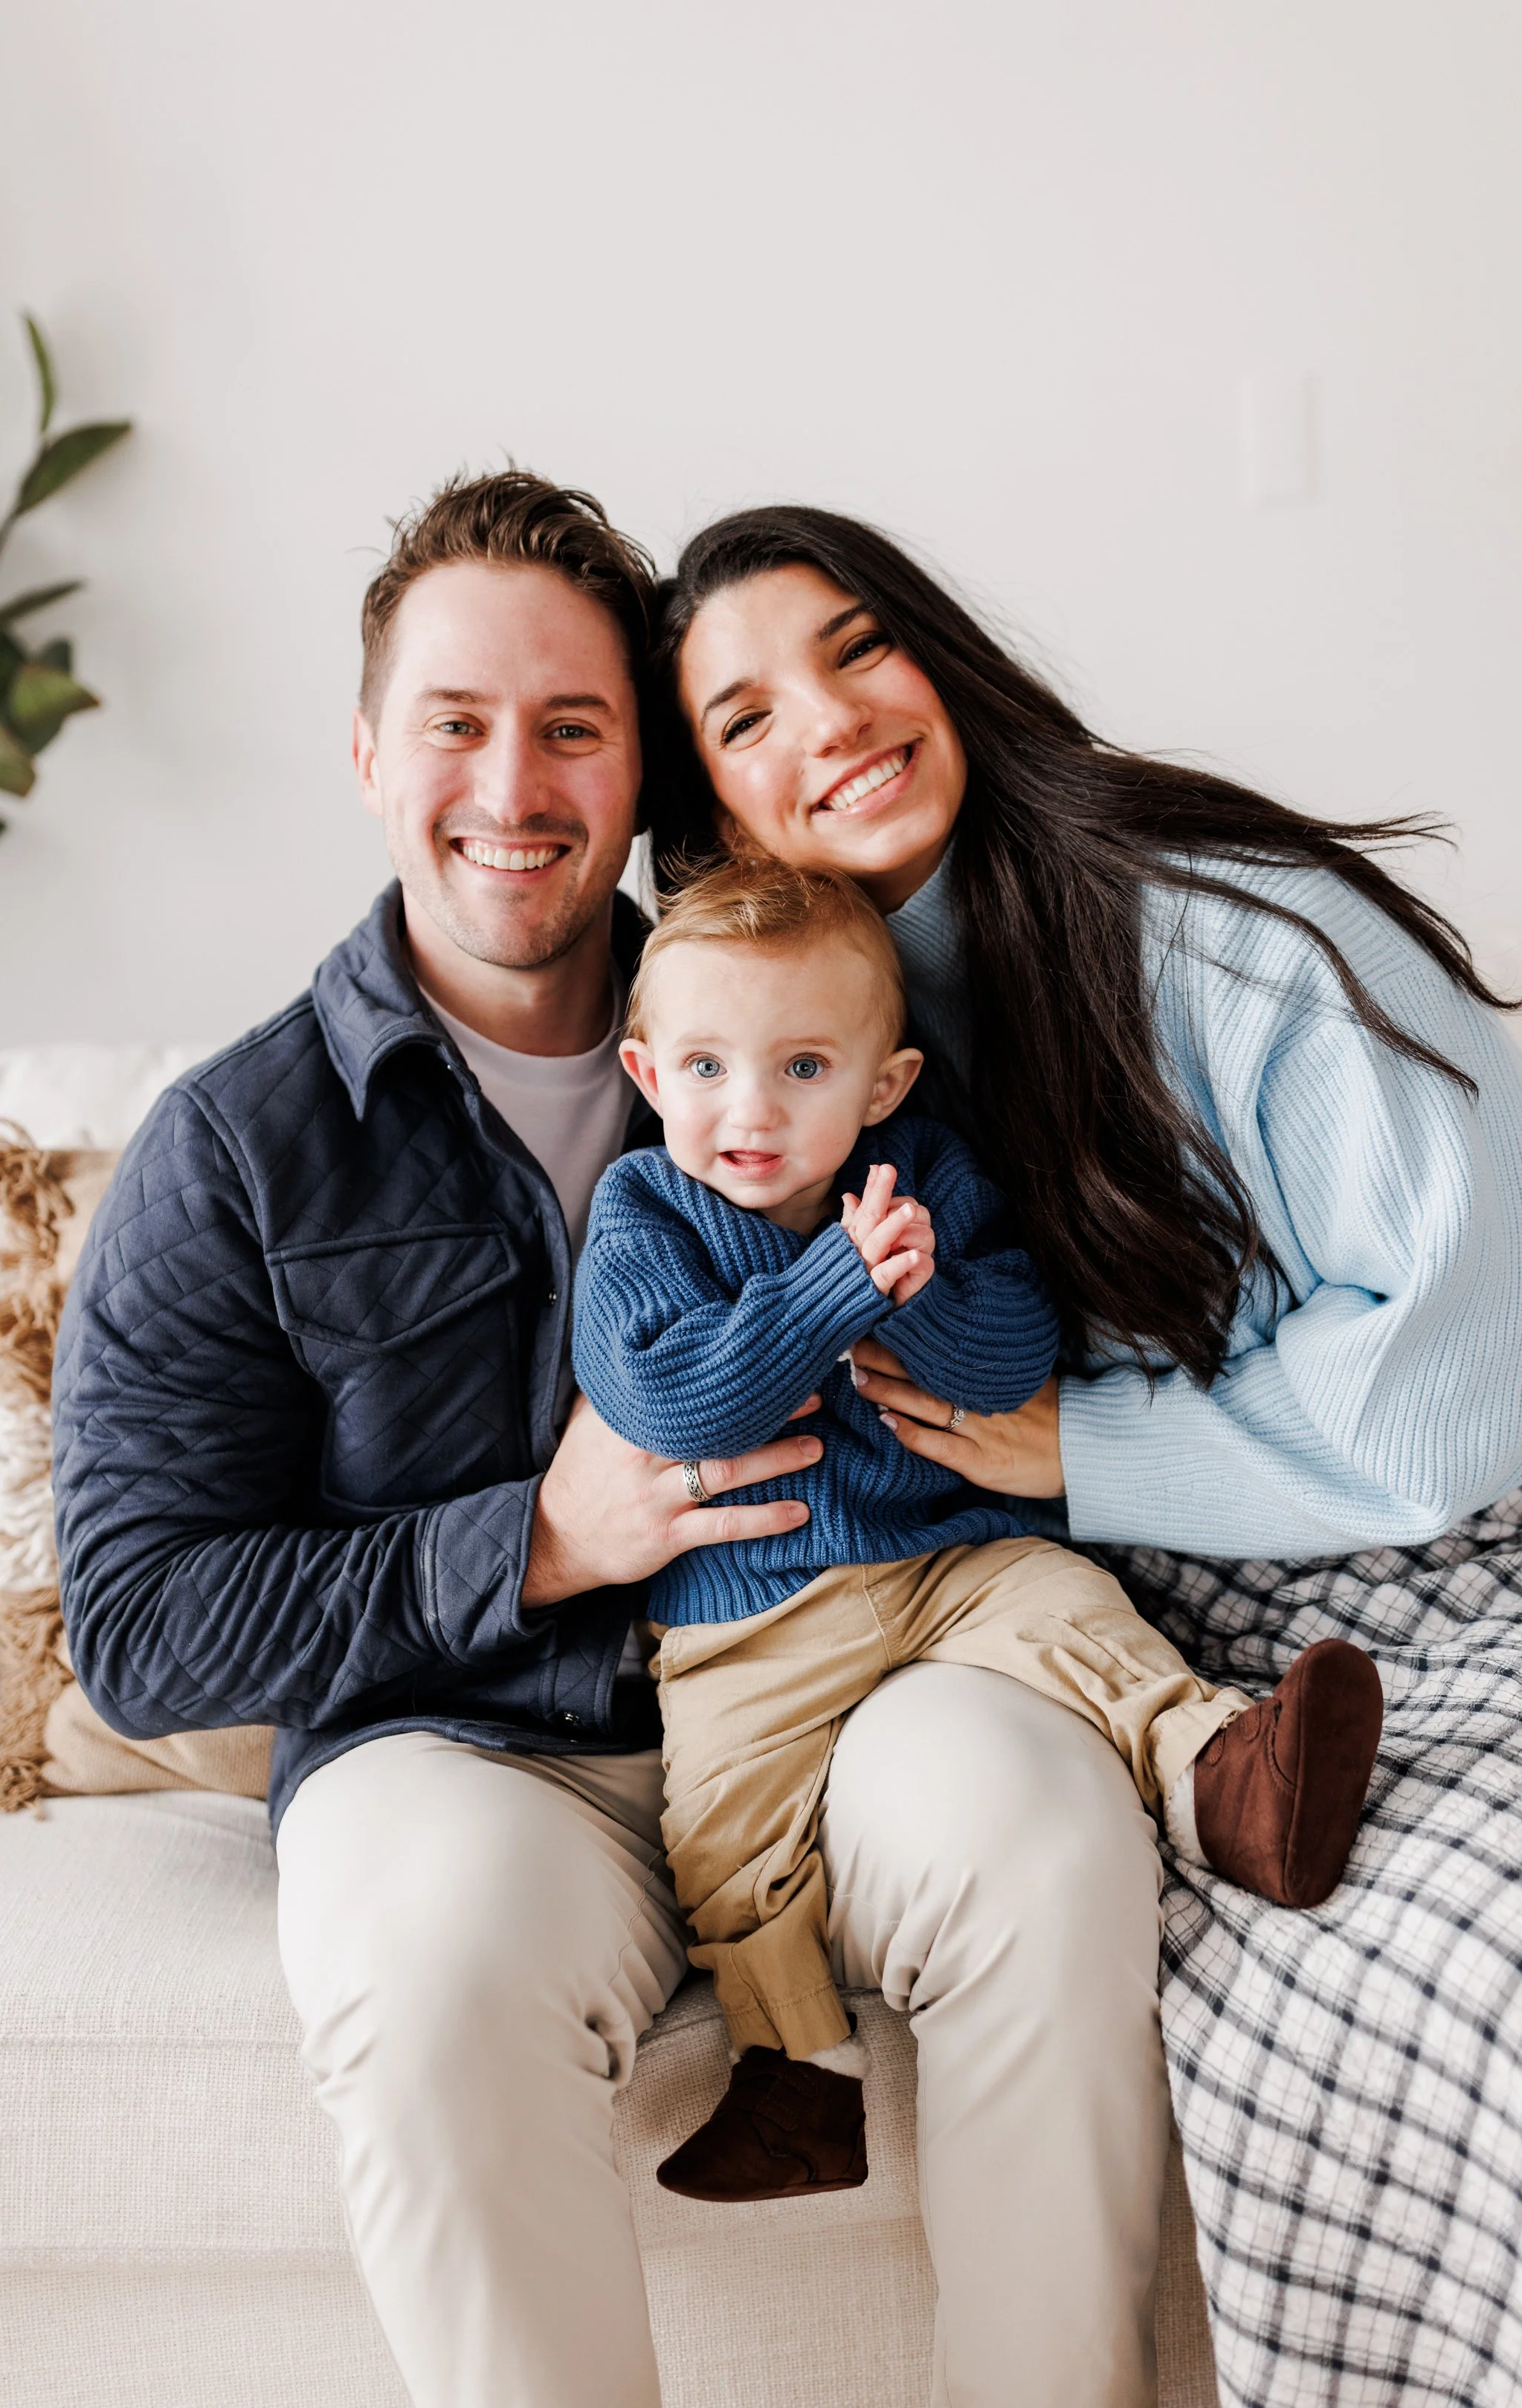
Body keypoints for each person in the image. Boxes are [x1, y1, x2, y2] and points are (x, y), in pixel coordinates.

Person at [53, 470, 1180, 2408]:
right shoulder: (235, 1148)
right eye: (457, 722)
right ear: (365, 749)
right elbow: (144, 1625)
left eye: (574, 724)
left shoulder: (834, 1017)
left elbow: (1050, 1301)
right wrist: (537, 1541)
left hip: (842, 1674)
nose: (516, 778)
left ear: (642, 758)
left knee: (1043, 1821)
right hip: (479, 1752)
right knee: (428, 1943)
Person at [646, 502, 1522, 2404]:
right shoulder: (809, 1051)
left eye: (859, 646)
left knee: (1488, 1979)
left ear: (944, 658)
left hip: (1434, 1579)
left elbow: (1463, 1374)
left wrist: (1088, 1449)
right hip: (1138, 1642)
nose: (831, 720)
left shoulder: (1228, 931)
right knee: (1357, 1989)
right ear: (717, 820)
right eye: (743, 714)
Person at [574, 855, 1382, 2204]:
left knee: (1078, 1617)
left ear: (883, 1082)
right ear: (649, 1075)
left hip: (951, 1557)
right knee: (720, 1828)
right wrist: (840, 1285)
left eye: (803, 1068)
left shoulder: (925, 1171)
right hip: (750, 1616)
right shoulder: (645, 1210)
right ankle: (797, 2077)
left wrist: (912, 1292)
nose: (751, 1111)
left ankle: (1226, 1778)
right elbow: (669, 1393)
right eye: (707, 1069)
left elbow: (1014, 1353)